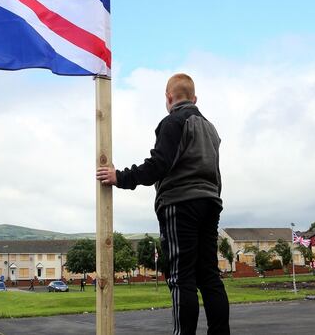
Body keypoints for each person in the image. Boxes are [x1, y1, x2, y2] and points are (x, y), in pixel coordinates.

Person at [96, 73, 229, 335]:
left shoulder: (173, 122)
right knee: (209, 276)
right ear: (195, 98)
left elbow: (158, 164)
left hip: (181, 204)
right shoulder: (211, 129)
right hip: (211, 203)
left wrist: (120, 177)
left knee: (181, 277)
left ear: (169, 98)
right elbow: (215, 171)